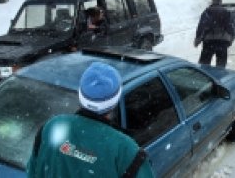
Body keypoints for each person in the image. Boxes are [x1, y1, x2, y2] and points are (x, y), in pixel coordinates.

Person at [27, 62, 155, 178]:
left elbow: (32, 171)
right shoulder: (126, 151)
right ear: (115, 101)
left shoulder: (52, 127)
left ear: (81, 95)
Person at [194, 0, 235, 68]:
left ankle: (204, 77)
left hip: (208, 42)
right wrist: (231, 39)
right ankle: (219, 78)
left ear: (212, 2)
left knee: (204, 64)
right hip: (222, 42)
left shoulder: (207, 12)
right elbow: (232, 28)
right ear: (221, 2)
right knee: (221, 65)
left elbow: (201, 27)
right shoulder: (226, 12)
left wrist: (197, 40)